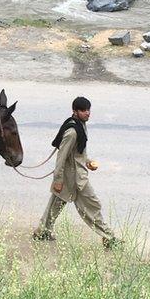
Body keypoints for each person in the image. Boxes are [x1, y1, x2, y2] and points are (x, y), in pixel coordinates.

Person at [33, 96, 120, 248]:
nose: (88, 113)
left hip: (75, 173)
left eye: (88, 110)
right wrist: (58, 180)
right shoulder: (72, 132)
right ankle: (109, 237)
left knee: (55, 205)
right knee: (92, 205)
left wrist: (88, 162)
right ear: (75, 111)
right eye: (84, 110)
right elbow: (61, 157)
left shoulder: (81, 125)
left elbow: (79, 154)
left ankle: (42, 232)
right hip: (75, 179)